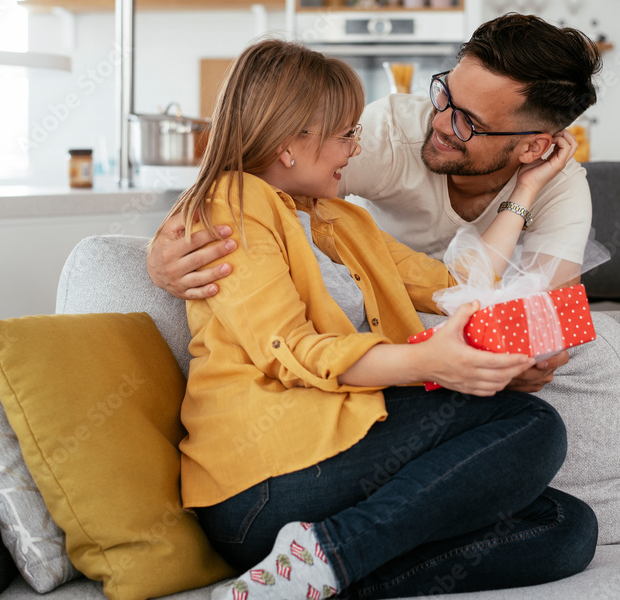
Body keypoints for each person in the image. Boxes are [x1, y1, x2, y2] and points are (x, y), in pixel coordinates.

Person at [152, 39, 597, 600]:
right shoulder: (232, 206)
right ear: (292, 144)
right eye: (344, 135)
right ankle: (332, 557)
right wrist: (423, 362)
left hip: (330, 469)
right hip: (261, 485)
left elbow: (457, 289)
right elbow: (291, 349)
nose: (353, 148)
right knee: (532, 425)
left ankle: (313, 573)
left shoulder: (341, 221)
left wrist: (525, 189)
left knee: (566, 527)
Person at [147, 13, 602, 395]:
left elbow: (541, 313)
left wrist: (524, 194)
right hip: (380, 356)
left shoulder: (559, 188)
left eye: (468, 121)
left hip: (417, 334)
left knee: (536, 434)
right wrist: (164, 250)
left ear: (532, 147)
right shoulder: (386, 137)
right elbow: (253, 172)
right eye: (445, 94)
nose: (440, 121)